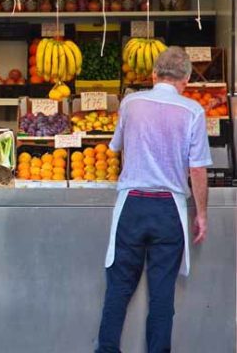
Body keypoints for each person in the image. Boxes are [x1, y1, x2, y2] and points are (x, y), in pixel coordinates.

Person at [96, 47, 211, 353]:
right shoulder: (193, 111)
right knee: (162, 295)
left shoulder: (130, 103)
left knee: (118, 288)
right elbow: (197, 169)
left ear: (153, 74)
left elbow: (116, 146)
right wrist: (201, 214)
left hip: (131, 204)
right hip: (169, 209)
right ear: (186, 78)